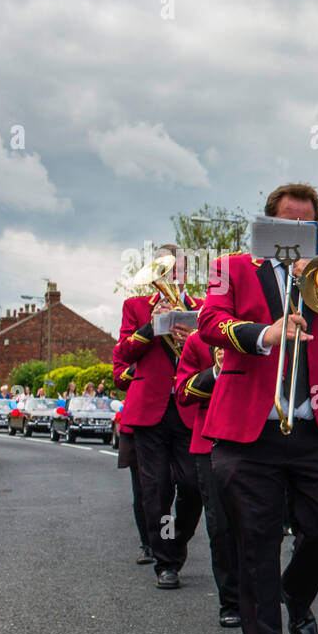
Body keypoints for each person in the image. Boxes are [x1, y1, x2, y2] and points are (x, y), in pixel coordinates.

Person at [198, 182, 318, 634]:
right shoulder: (229, 267)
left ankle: (296, 593)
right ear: (268, 225)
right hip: (249, 428)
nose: (296, 233)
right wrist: (261, 334)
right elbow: (209, 320)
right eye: (287, 224)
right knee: (256, 538)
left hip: (316, 424)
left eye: (306, 226)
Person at [113, 244, 203, 590]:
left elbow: (211, 355)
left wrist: (191, 337)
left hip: (187, 409)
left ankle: (176, 543)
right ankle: (166, 561)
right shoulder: (135, 307)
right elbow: (122, 352)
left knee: (194, 487)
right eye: (166, 270)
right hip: (150, 410)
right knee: (157, 489)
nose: (172, 276)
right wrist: (151, 328)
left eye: (178, 269)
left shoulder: (199, 308)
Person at [175, 333, 241, 627]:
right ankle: (231, 600)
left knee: (263, 524)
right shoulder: (196, 341)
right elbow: (183, 393)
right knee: (221, 527)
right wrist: (216, 371)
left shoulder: (268, 331)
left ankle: (260, 590)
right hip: (210, 440)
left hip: (259, 440)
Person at [112, 353, 154, 565]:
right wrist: (143, 363)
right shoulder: (131, 345)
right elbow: (119, 378)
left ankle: (167, 538)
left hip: (170, 422)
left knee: (168, 493)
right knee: (142, 492)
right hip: (137, 424)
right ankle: (147, 544)